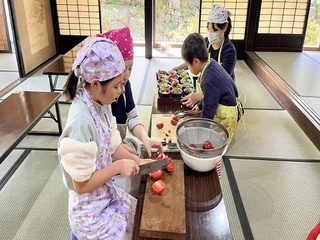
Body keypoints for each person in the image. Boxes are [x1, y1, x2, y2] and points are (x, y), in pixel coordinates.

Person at [57, 37, 153, 239]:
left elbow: (110, 143)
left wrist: (137, 161)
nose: (120, 91)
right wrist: (118, 167)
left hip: (105, 194)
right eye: (117, 86)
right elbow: (80, 186)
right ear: (95, 83)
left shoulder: (100, 101)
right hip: (88, 212)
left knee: (140, 216)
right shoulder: (80, 123)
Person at [181, 32, 243, 177]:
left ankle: (216, 172)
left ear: (195, 61)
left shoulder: (208, 80)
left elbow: (208, 115)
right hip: (227, 105)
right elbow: (213, 96)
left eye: (187, 64)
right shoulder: (211, 63)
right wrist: (201, 104)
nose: (188, 68)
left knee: (216, 146)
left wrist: (198, 135)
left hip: (226, 115)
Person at [96, 26, 163, 158]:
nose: (126, 76)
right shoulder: (96, 100)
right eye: (122, 68)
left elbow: (132, 116)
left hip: (119, 147)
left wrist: (145, 138)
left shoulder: (125, 85)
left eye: (130, 68)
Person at [174, 4, 237, 108]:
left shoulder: (230, 51)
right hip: (207, 83)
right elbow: (192, 58)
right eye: (209, 29)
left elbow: (219, 81)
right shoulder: (206, 42)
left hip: (223, 90)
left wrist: (199, 96)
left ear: (225, 27)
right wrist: (177, 69)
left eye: (215, 30)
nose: (211, 33)